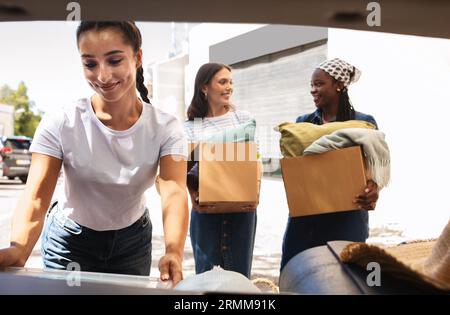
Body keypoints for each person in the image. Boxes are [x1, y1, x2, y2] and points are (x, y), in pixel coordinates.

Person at [0, 22, 188, 285]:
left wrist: (174, 251)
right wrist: (19, 248)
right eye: (90, 64)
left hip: (132, 242)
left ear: (138, 57)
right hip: (70, 242)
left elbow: (174, 191)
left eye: (114, 60)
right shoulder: (62, 121)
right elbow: (35, 197)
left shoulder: (167, 128)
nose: (102, 76)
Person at [280, 58, 380, 271]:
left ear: (339, 85)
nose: (313, 90)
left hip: (347, 220)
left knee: (346, 280)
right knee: (298, 276)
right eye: (311, 85)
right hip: (305, 222)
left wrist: (374, 188)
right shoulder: (303, 123)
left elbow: (376, 166)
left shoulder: (364, 122)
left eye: (319, 84)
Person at [184, 63, 257, 278]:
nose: (229, 87)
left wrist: (255, 190)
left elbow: (255, 159)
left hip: (242, 214)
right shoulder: (190, 127)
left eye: (231, 82)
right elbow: (184, 170)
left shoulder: (242, 119)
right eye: (223, 82)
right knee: (207, 278)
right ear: (204, 87)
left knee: (239, 279)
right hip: (206, 214)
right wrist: (192, 195)